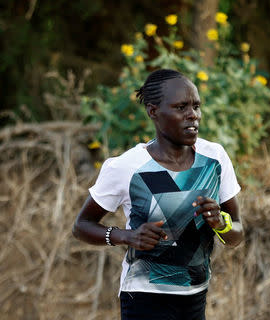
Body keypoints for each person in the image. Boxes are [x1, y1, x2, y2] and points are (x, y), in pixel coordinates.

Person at [72, 69, 244, 320]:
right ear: (153, 111)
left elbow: (236, 234)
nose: (193, 115)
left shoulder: (214, 158)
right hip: (144, 299)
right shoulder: (125, 166)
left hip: (196, 297)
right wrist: (127, 236)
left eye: (196, 106)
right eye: (181, 107)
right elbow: (81, 226)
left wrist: (220, 223)